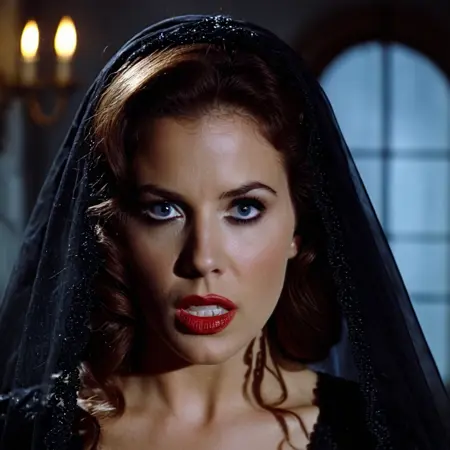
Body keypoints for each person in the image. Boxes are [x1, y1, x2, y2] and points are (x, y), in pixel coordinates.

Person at [0, 14, 449, 450]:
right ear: (115, 228)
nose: (202, 258)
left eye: (244, 209)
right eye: (163, 209)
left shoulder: (376, 437)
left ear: (298, 227)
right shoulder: (24, 432)